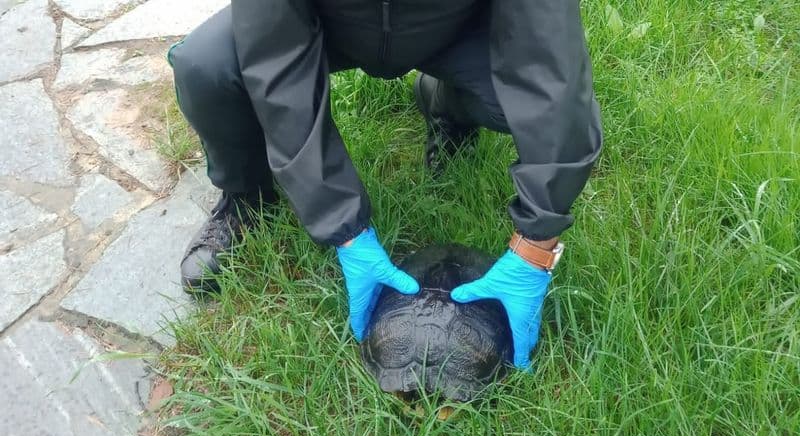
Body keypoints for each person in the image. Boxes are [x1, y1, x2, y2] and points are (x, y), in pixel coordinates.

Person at [168, 0, 603, 369]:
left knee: (523, 105)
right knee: (206, 66)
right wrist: (344, 227)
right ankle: (247, 197)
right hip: (330, 23)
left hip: (454, 23)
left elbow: (550, 59)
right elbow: (275, 59)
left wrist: (535, 244)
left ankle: (444, 103)